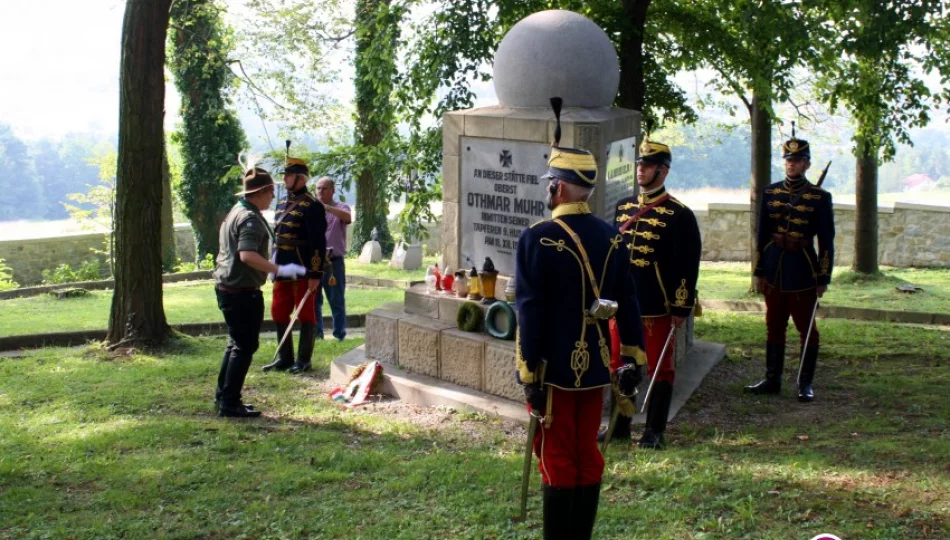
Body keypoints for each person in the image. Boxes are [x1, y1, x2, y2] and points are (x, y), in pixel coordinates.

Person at [515, 100, 647, 540]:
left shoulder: (536, 237)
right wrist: (631, 359)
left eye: (550, 183)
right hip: (594, 365)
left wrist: (529, 369)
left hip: (552, 368)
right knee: (587, 451)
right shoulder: (613, 237)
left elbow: (530, 309)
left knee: (556, 454)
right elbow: (627, 303)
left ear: (557, 188)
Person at [605, 139, 702, 449]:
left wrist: (681, 307)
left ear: (663, 170)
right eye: (638, 164)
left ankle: (654, 431)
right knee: (619, 363)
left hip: (656, 305)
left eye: (646, 165)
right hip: (622, 305)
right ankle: (619, 426)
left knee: (661, 368)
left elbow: (687, 265)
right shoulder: (623, 207)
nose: (640, 170)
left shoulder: (679, 214)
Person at [746, 134, 835, 402]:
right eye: (788, 160)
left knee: (806, 328)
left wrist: (823, 276)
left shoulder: (819, 197)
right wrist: (760, 272)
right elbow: (761, 236)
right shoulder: (770, 193)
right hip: (774, 267)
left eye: (797, 160)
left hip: (803, 269)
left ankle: (804, 382)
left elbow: (827, 241)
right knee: (774, 325)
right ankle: (772, 379)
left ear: (807, 164)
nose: (791, 165)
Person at [213, 165, 306, 418]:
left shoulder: (237, 211)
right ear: (262, 192)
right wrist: (281, 269)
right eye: (270, 192)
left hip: (229, 288)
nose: (273, 197)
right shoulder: (250, 219)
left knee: (235, 344)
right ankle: (230, 403)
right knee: (244, 346)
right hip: (241, 291)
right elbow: (247, 255)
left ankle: (224, 396)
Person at [261, 155, 327, 375]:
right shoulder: (281, 203)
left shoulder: (313, 205)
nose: (285, 179)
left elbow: (318, 242)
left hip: (303, 267)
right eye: (285, 175)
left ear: (301, 178)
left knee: (305, 313)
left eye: (289, 176)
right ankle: (284, 358)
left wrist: (316, 273)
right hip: (282, 267)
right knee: (279, 311)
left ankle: (304, 360)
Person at [313, 176, 352, 341]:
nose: (321, 191)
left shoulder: (341, 207)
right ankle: (317, 334)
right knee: (314, 301)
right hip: (314, 263)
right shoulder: (312, 209)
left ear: (332, 190)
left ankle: (339, 334)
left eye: (325, 188)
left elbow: (347, 218)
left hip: (333, 263)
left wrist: (326, 208)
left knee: (336, 300)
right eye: (318, 188)